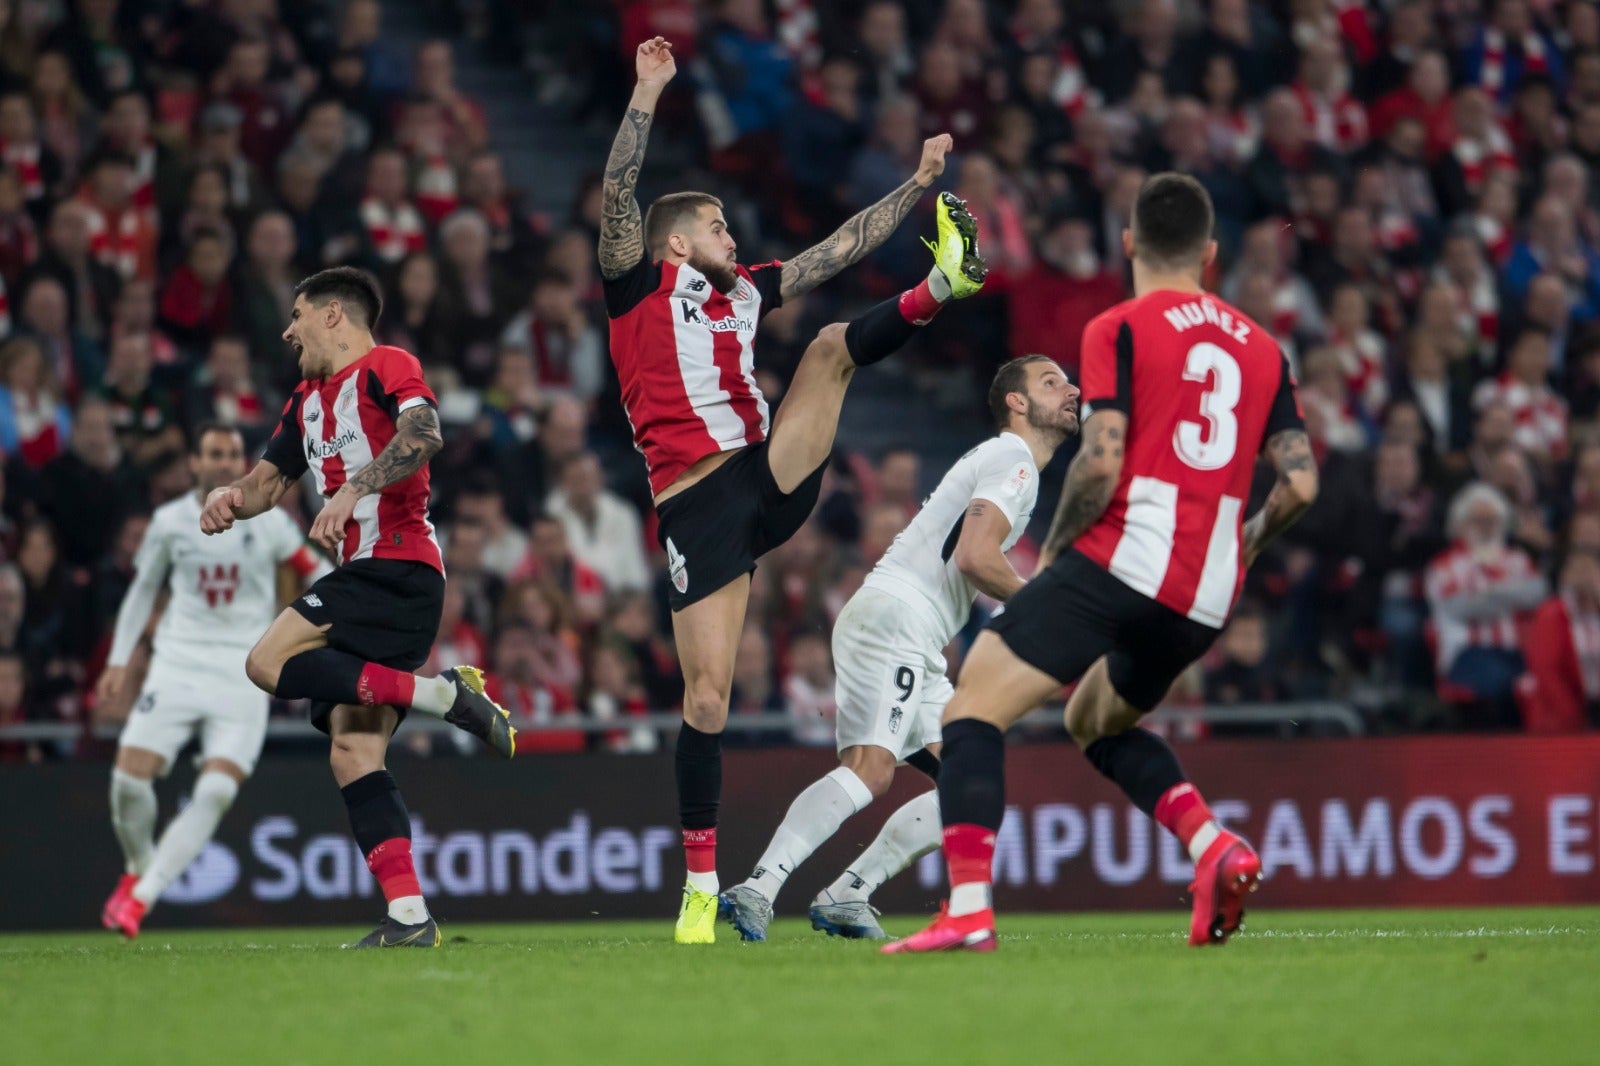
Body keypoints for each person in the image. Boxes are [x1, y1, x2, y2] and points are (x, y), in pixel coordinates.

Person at [599, 37, 987, 944]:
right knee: (707, 701)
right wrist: (648, 94)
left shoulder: (749, 291)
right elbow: (618, 195)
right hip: (697, 509)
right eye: (722, 228)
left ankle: (943, 283)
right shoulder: (633, 287)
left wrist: (921, 181)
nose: (736, 239)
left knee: (825, 347)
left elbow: (841, 246)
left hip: (766, 473)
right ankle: (702, 890)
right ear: (681, 241)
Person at [885, 174, 1318, 955]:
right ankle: (1214, 846)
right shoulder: (1265, 350)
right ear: (1212, 255)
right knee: (1095, 722)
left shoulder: (1120, 326)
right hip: (1205, 593)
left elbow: (1100, 458)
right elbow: (1300, 484)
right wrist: (1247, 541)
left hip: (1124, 560)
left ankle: (970, 907)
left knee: (971, 711)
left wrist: (1055, 561)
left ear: (1128, 245)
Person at [197, 267, 514, 949]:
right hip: (371, 577)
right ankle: (409, 918)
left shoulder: (388, 365)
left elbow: (424, 433)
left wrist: (352, 491)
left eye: (298, 316)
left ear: (334, 315)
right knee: (353, 750)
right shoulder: (304, 401)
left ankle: (442, 697)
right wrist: (230, 496)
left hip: (396, 565)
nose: (288, 330)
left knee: (267, 661)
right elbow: (268, 482)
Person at [718, 356, 1079, 941]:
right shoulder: (1014, 459)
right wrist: (1041, 600)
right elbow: (975, 557)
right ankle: (759, 886)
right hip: (897, 619)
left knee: (968, 784)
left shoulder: (1008, 464)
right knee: (871, 770)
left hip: (912, 629)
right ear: (1016, 402)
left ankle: (846, 894)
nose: (1072, 390)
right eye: (1051, 383)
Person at [97, 425, 330, 939]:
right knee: (128, 782)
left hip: (244, 671)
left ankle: (141, 897)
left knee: (217, 790)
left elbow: (314, 569)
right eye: (212, 455)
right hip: (177, 663)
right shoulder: (169, 522)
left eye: (231, 454)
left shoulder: (268, 524)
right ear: (195, 466)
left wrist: (318, 624)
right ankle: (139, 868)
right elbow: (142, 591)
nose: (223, 463)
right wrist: (118, 660)